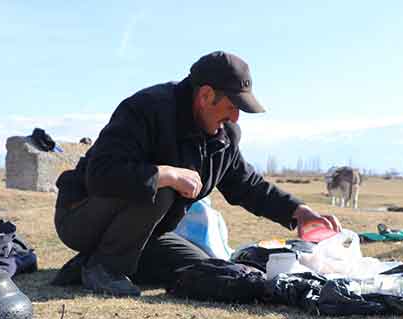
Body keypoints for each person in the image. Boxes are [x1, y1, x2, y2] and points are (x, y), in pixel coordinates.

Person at [53, 50, 341, 297]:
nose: (235, 117)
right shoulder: (145, 109)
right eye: (232, 106)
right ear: (205, 95)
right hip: (81, 216)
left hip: (148, 231)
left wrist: (297, 211)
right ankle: (107, 267)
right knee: (162, 187)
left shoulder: (224, 135)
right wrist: (165, 173)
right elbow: (101, 175)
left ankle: (91, 263)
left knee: (201, 268)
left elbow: (247, 184)